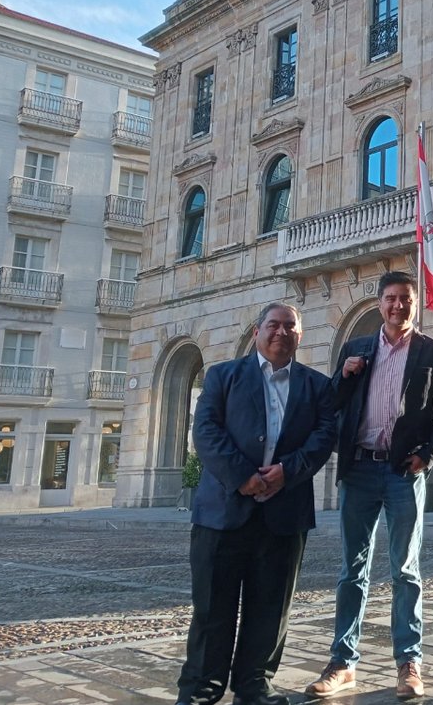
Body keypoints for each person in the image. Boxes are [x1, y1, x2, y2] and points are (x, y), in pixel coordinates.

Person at [175, 302, 337, 705]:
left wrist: (287, 471)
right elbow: (207, 432)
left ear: (300, 335)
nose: (281, 332)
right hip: (223, 513)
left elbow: (322, 439)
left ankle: (255, 686)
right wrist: (243, 477)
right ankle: (201, 689)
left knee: (270, 611)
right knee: (213, 610)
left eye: (290, 327)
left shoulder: (317, 386)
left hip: (284, 514)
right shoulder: (222, 376)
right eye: (273, 325)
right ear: (256, 330)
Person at [307, 271, 433, 701]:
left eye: (405, 299)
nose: (397, 306)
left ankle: (409, 662)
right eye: (390, 299)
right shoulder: (356, 349)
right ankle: (342, 662)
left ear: (415, 302)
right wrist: (344, 376)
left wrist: (427, 456)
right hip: (360, 471)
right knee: (353, 569)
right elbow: (331, 405)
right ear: (379, 302)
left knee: (406, 570)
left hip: (404, 472)